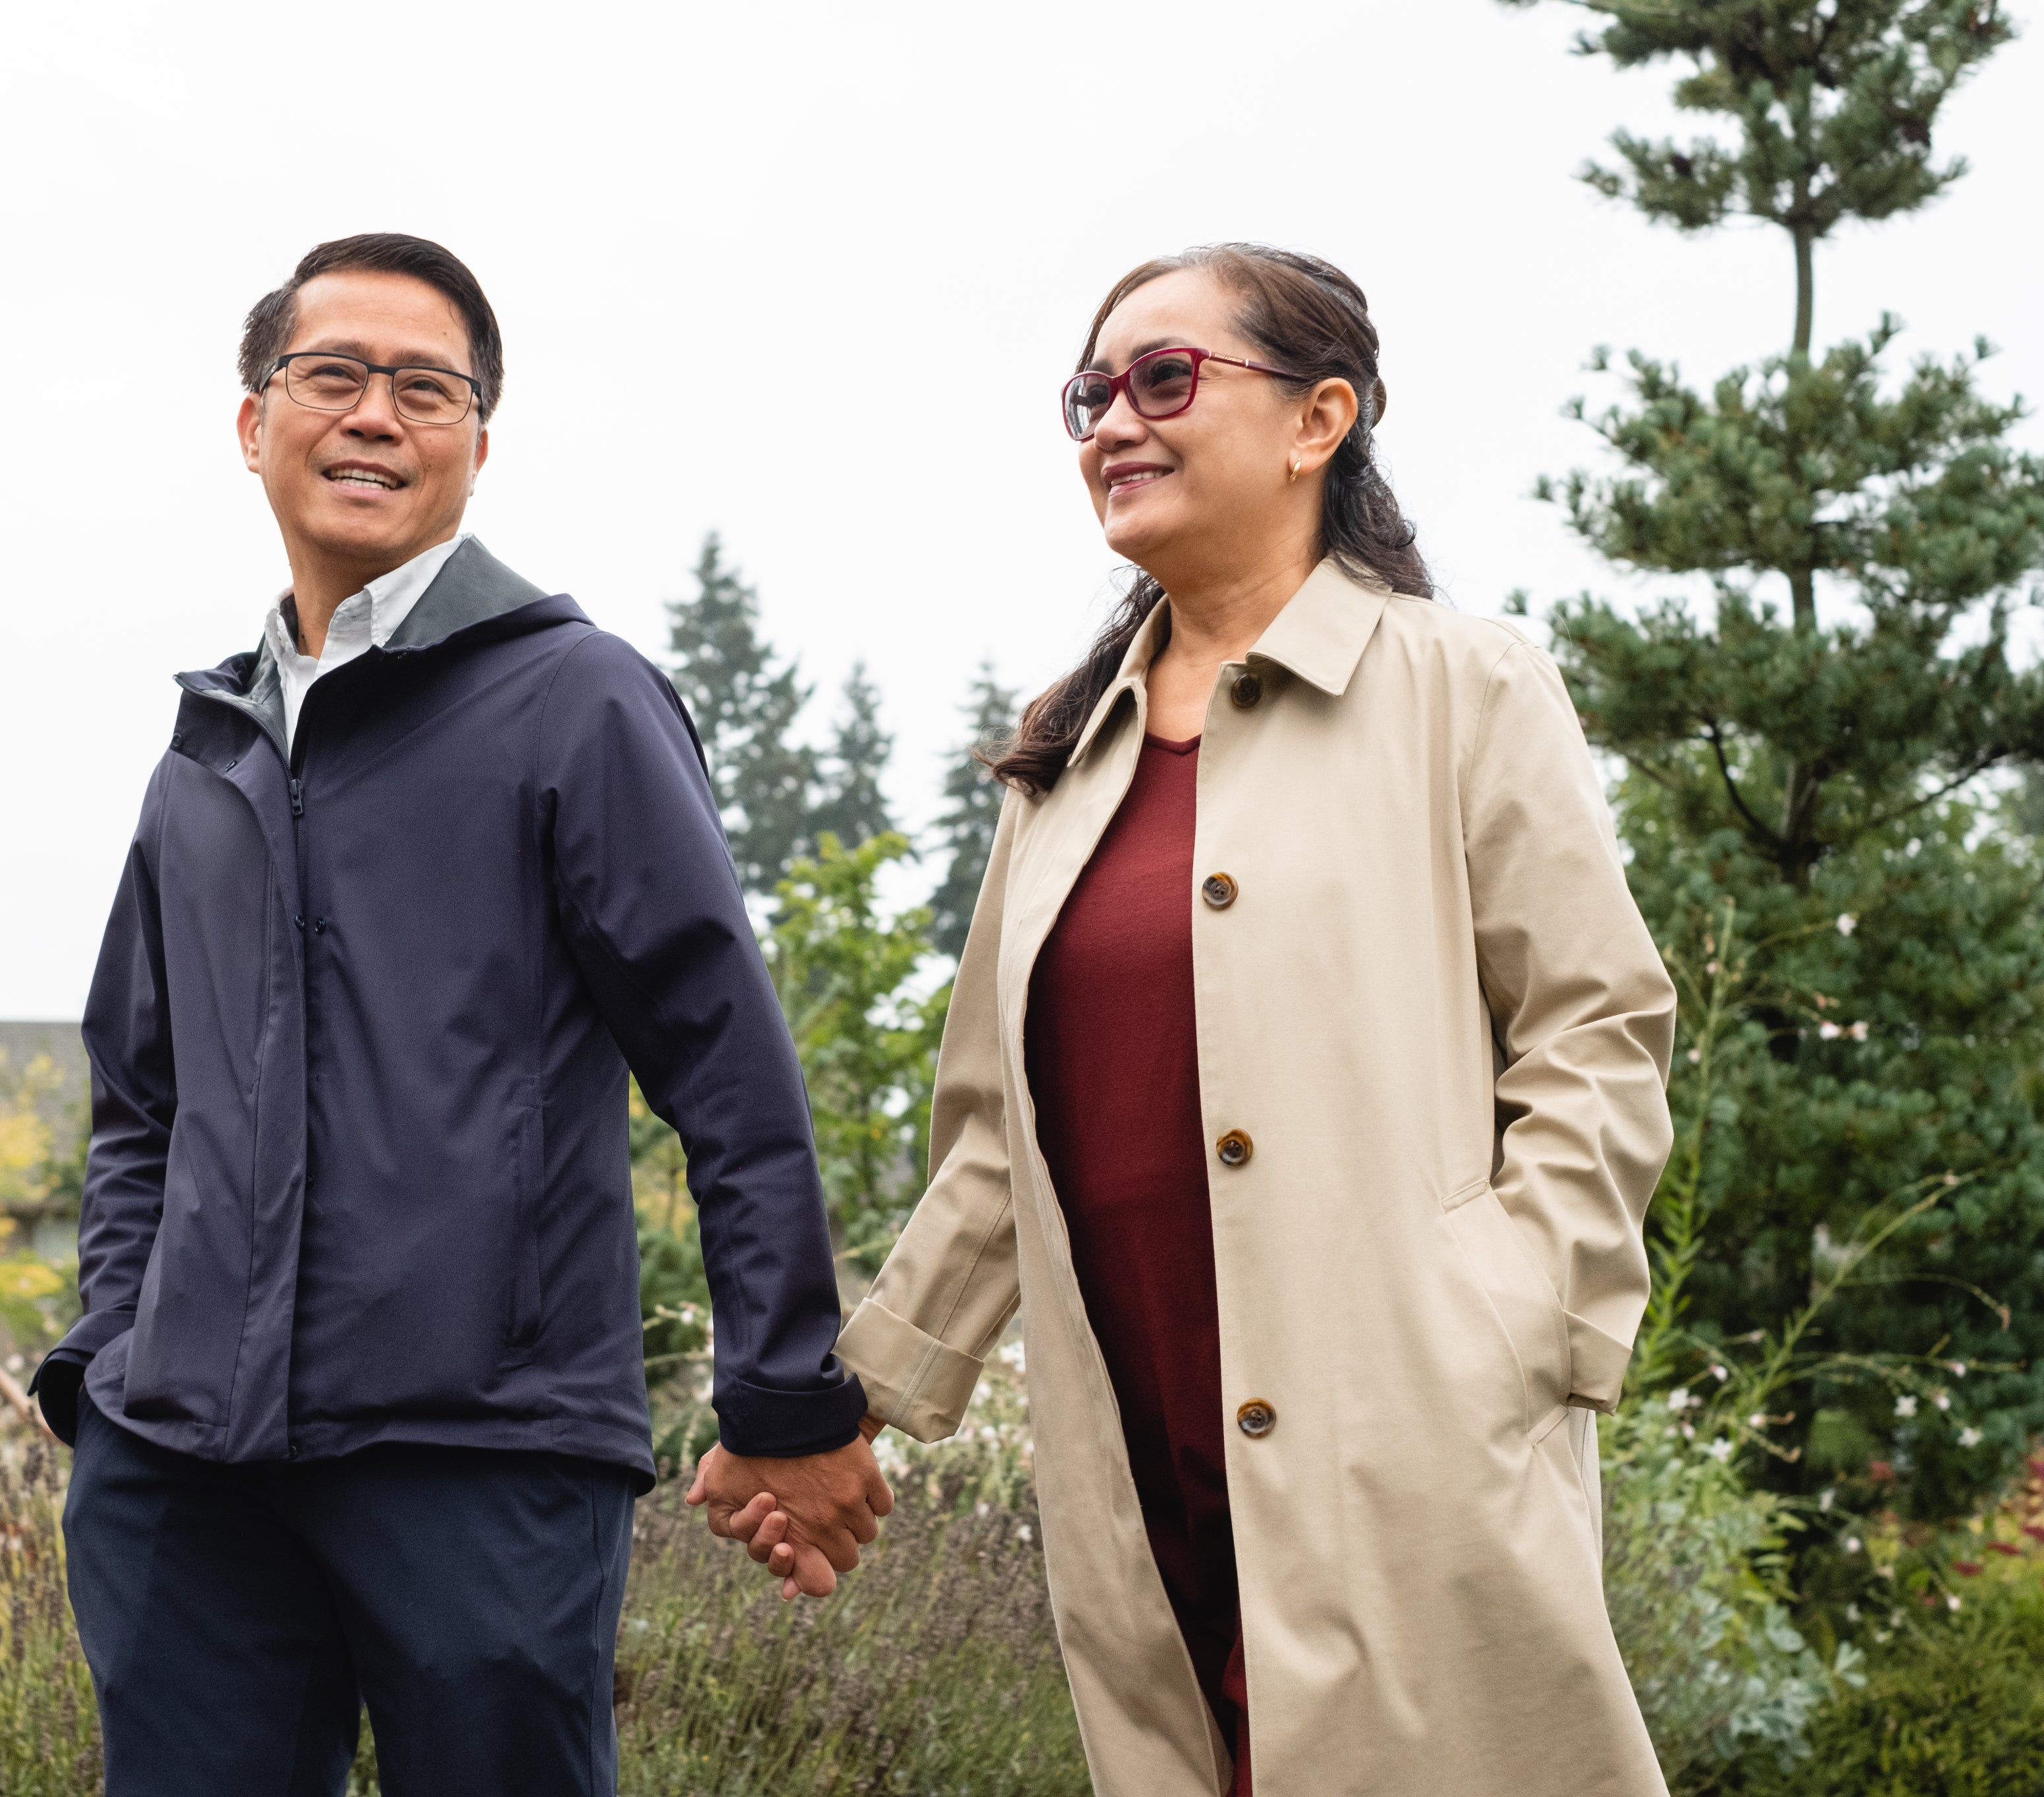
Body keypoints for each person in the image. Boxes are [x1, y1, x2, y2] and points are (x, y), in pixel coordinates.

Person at [702, 245, 1676, 1795]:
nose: (1112, 421)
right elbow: (987, 1145)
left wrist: (1501, 1328)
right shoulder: (1063, 766)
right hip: (1137, 1462)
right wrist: (843, 1409)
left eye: (1165, 379)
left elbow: (1595, 1031)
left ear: (1317, 420)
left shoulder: (1464, 689)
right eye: (1091, 392)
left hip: (1402, 1439)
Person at [34, 232, 890, 1797]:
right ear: (252, 420)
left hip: (481, 1459)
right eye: (332, 376)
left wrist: (782, 1391)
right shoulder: (203, 759)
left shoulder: (575, 700)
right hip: (183, 1474)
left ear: (477, 445)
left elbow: (726, 1072)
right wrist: (108, 1367)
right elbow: (137, 1105)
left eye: (425, 390)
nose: (375, 416)